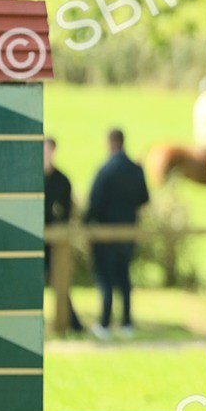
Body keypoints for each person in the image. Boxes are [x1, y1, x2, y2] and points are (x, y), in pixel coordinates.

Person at [85, 128, 150, 339]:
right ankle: (127, 323)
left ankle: (104, 323)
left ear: (110, 143)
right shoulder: (135, 169)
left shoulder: (105, 170)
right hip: (128, 231)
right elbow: (144, 198)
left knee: (105, 279)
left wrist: (86, 224)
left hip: (106, 233)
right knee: (124, 278)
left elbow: (95, 203)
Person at [43, 137, 84, 332]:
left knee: (59, 281)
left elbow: (65, 212)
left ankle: (71, 322)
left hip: (54, 240)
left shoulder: (61, 181)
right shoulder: (32, 179)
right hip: (35, 240)